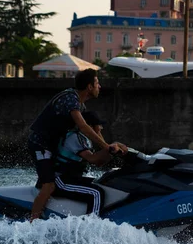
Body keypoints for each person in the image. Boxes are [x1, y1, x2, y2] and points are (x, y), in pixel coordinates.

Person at [27, 68, 127, 221]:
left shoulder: (81, 106)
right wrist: (107, 147)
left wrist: (110, 148)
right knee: (48, 185)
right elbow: (83, 126)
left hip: (53, 145)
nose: (99, 87)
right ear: (89, 87)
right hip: (40, 144)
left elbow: (94, 133)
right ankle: (32, 223)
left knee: (57, 176)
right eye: (97, 83)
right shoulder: (70, 98)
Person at [51, 111, 125, 215]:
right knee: (96, 193)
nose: (101, 128)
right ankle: (92, 224)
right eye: (98, 125)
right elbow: (92, 159)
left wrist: (113, 152)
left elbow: (98, 163)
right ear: (89, 126)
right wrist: (111, 147)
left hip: (73, 178)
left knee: (104, 183)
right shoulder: (74, 137)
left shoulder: (84, 139)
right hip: (61, 180)